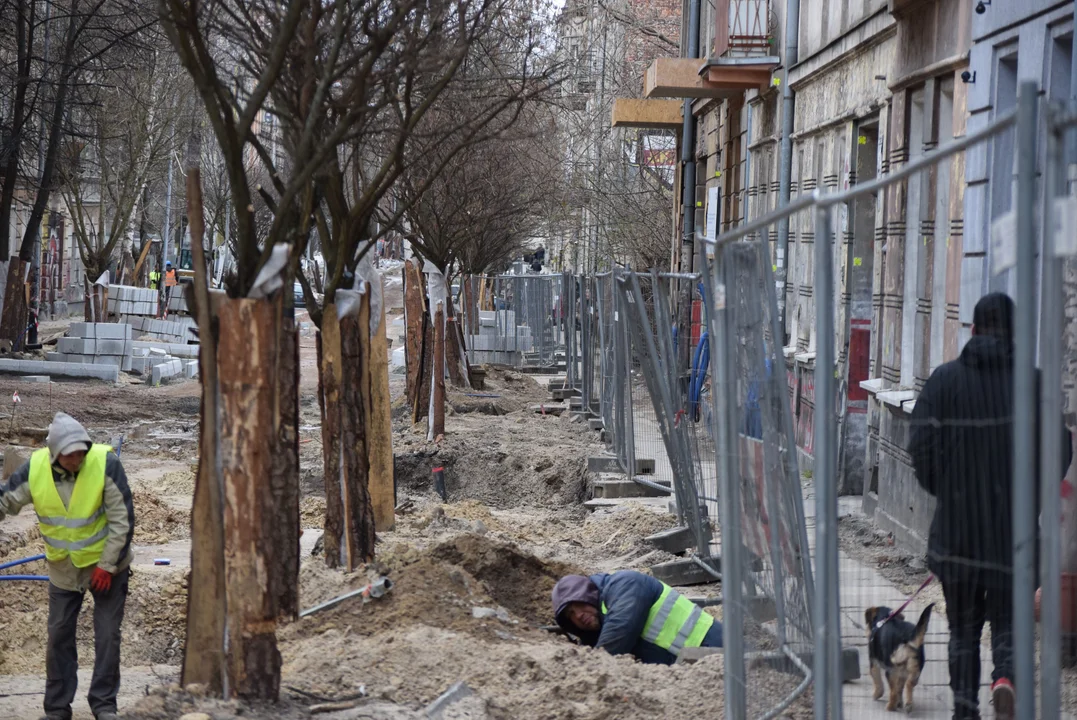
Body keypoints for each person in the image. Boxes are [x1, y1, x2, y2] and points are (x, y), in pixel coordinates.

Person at [909, 292, 1073, 720]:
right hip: (1012, 535)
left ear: (974, 330)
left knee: (963, 628)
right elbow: (1060, 447)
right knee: (1007, 619)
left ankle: (965, 710)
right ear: (1015, 332)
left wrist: (945, 490)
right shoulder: (1035, 385)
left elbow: (920, 446)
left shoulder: (944, 383)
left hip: (958, 533)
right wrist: (1033, 498)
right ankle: (1004, 680)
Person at [0, 412, 135, 720]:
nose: (77, 458)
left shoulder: (105, 463)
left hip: (108, 568)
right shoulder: (35, 469)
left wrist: (107, 565)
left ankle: (104, 706)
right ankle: (57, 709)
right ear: (55, 453)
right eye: (70, 454)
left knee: (107, 636)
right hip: (64, 569)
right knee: (59, 635)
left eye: (80, 452)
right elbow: (6, 501)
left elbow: (122, 521)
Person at [552, 570, 723, 665]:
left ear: (589, 594)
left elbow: (620, 629)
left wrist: (589, 666)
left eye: (578, 604)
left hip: (715, 649)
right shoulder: (600, 622)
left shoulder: (626, 584)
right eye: (570, 614)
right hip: (687, 665)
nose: (578, 615)